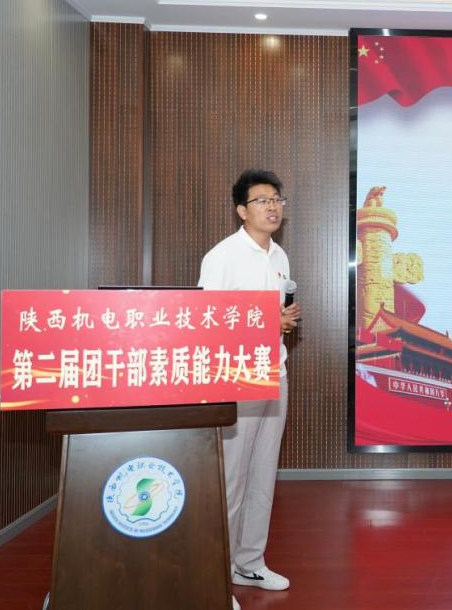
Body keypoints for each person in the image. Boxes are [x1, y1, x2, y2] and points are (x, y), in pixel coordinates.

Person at [198, 169, 301, 594]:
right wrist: (269, 322)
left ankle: (250, 562)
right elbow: (206, 320)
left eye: (277, 199)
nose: (273, 207)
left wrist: (282, 320)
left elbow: (272, 314)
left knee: (263, 475)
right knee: (232, 479)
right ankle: (216, 574)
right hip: (236, 376)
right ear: (242, 210)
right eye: (262, 200)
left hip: (275, 371)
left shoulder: (279, 256)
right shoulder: (222, 256)